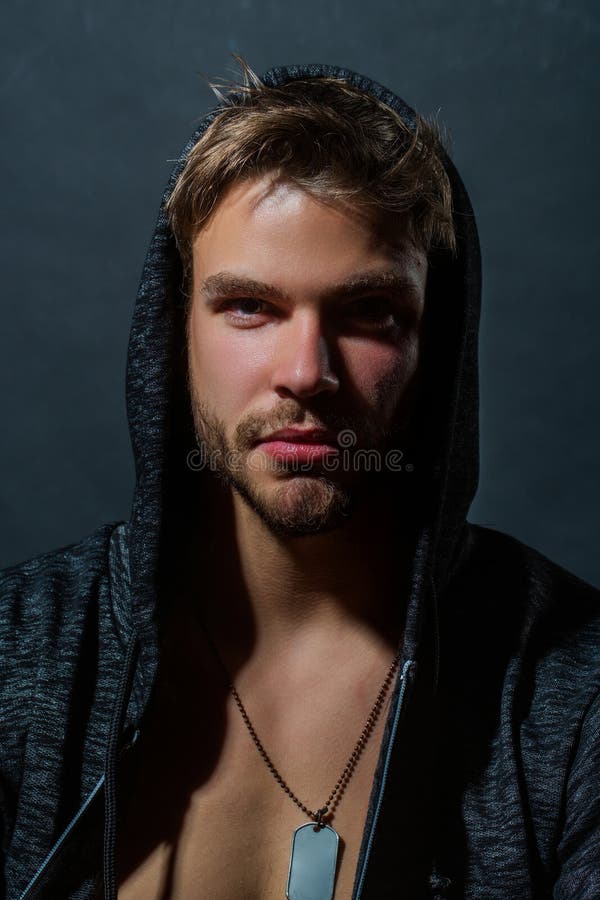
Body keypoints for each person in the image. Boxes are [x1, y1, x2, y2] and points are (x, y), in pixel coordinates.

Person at [1, 57, 598, 900]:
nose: (307, 372)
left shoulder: (570, 696)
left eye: (369, 313)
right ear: (173, 331)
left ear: (437, 345)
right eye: (250, 306)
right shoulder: (22, 654)